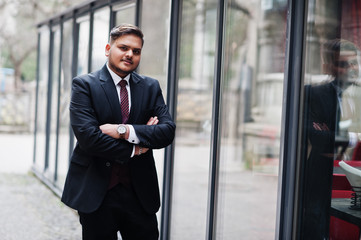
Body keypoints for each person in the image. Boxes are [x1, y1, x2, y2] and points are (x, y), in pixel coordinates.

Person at [61, 24, 176, 240]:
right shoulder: (84, 85)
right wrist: (137, 148)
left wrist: (122, 130)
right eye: (123, 47)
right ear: (108, 49)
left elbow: (166, 131)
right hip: (97, 192)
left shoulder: (150, 87)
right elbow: (89, 138)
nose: (129, 54)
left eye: (136, 51)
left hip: (140, 193)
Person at [302, 38, 361, 239]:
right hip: (321, 181)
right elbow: (316, 137)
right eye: (343, 64)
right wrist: (355, 137)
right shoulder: (313, 94)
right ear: (330, 67)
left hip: (355, 185)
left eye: (354, 63)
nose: (352, 68)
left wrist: (334, 136)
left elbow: (328, 137)